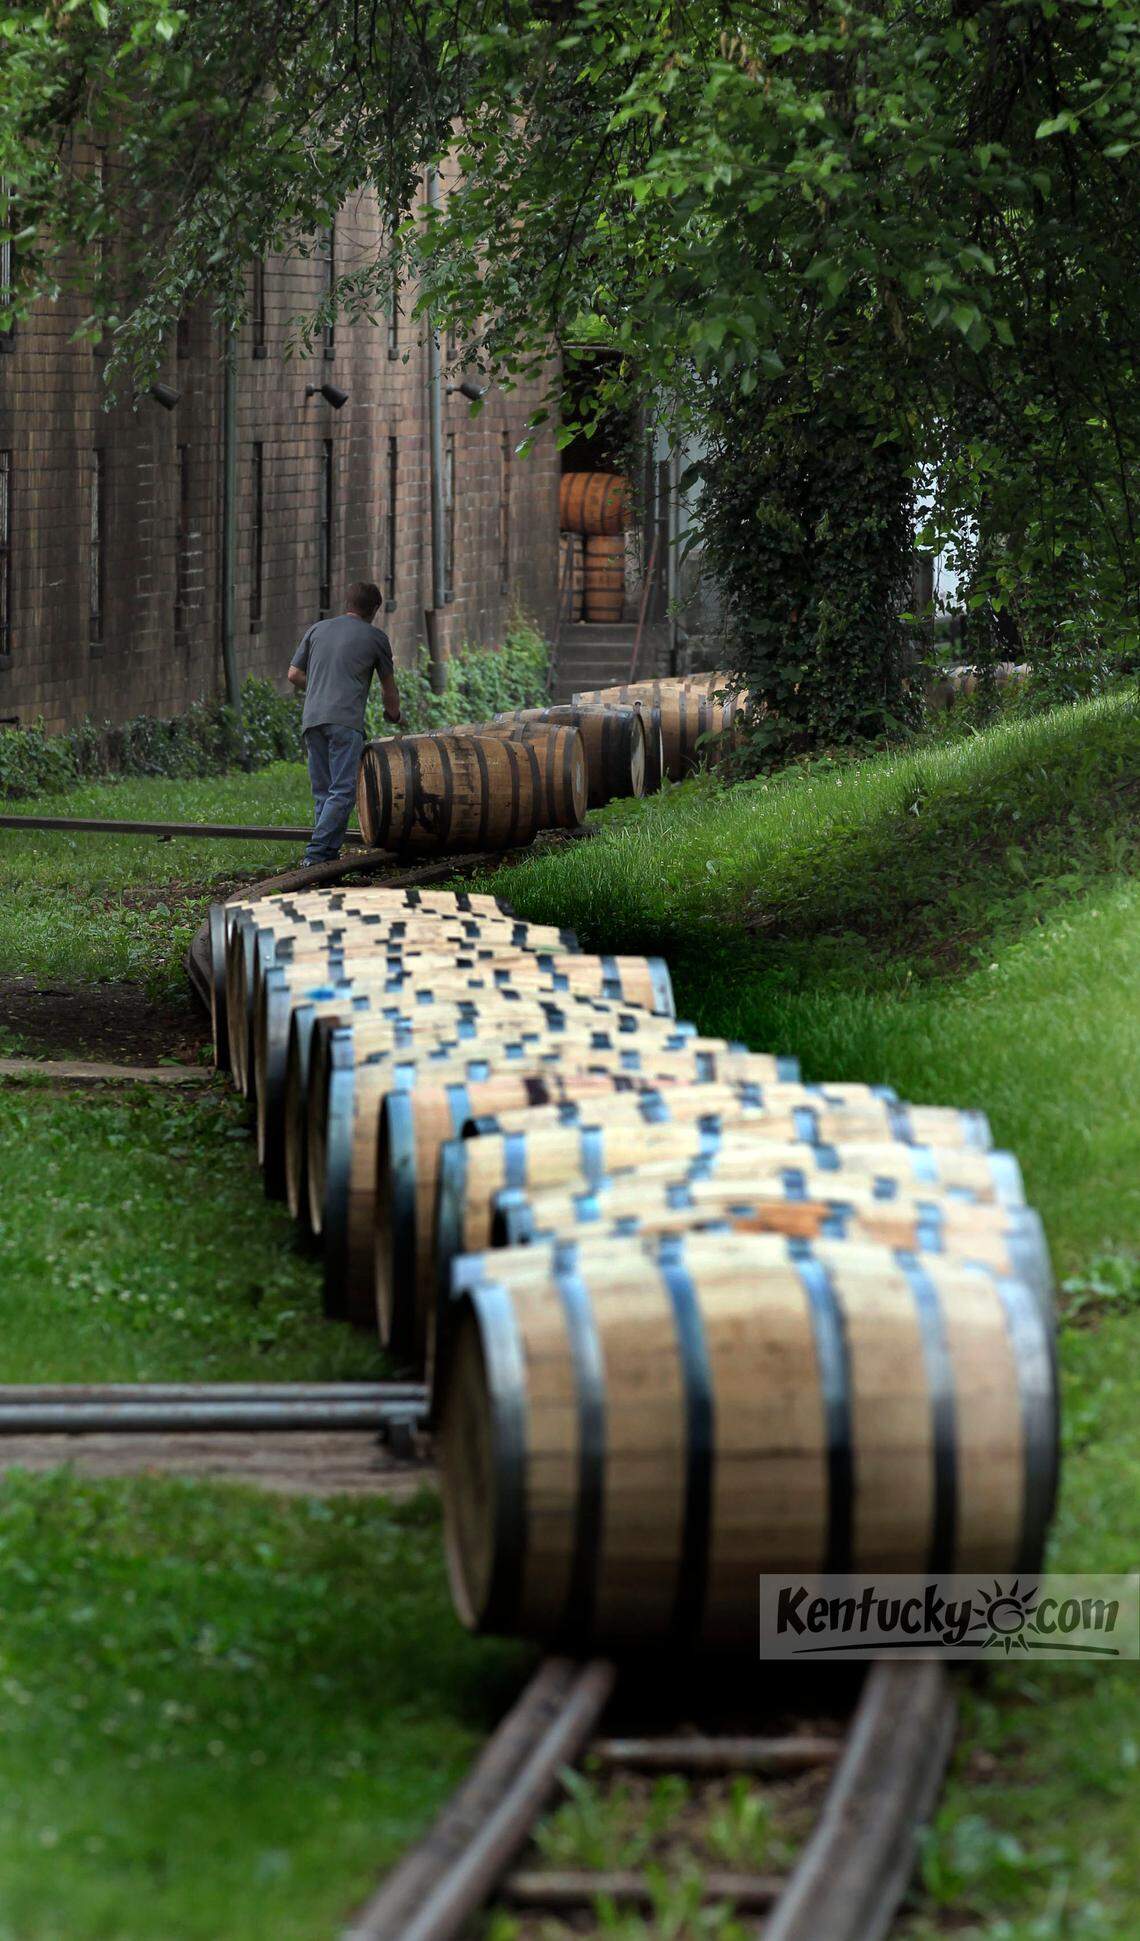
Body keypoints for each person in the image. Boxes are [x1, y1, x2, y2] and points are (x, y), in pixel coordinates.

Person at [288, 580, 402, 865]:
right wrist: (394, 715)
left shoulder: (317, 629)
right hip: (345, 721)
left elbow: (293, 674)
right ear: (374, 608)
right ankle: (315, 855)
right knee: (343, 791)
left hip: (312, 718)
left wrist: (320, 687)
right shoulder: (376, 638)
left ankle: (327, 854)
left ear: (347, 603)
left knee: (323, 792)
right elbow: (389, 689)